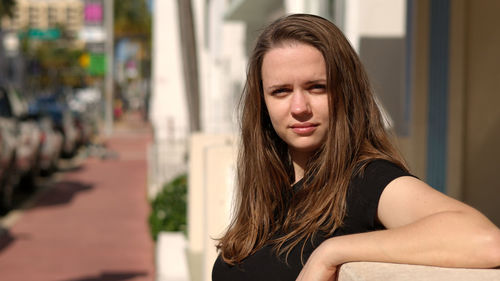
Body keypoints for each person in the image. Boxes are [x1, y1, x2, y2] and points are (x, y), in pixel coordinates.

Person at [212, 14, 500, 281]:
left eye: (317, 87)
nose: (299, 108)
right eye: (281, 91)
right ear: (262, 103)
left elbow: (486, 242)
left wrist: (331, 252)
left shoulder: (364, 179)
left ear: (346, 93)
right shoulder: (274, 190)